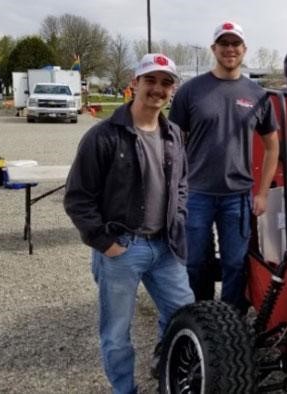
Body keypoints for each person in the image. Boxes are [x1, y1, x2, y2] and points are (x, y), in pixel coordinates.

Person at [64, 53, 194, 393]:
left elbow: (181, 183)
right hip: (122, 249)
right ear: (133, 84)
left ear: (172, 90)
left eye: (165, 83)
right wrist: (104, 242)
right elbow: (78, 197)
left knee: (185, 315)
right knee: (117, 333)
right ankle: (125, 390)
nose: (157, 89)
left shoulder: (174, 135)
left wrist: (177, 218)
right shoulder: (104, 136)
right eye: (150, 80)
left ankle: (168, 370)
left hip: (166, 247)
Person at [169, 21, 279, 309]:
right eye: (224, 44)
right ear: (213, 49)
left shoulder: (257, 94)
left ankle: (231, 318)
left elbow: (272, 146)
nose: (230, 49)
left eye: (235, 44)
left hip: (238, 197)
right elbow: (171, 144)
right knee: (195, 262)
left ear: (244, 50)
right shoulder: (191, 91)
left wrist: (263, 192)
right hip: (196, 194)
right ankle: (200, 316)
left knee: (235, 263)